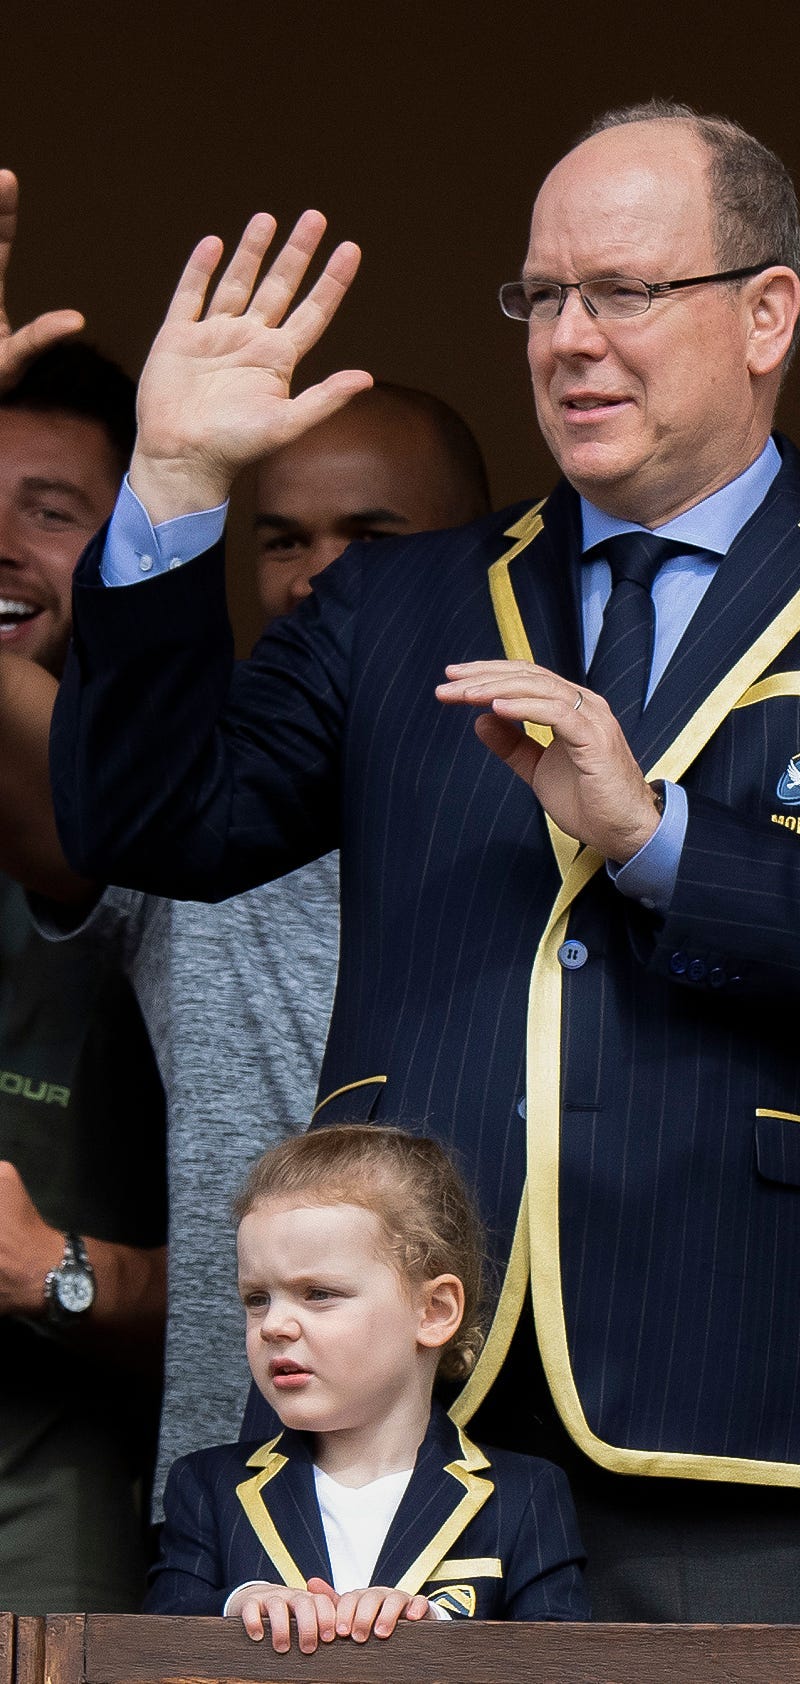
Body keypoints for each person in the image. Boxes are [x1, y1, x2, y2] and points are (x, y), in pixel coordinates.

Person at [53, 100, 800, 1622]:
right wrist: (173, 482)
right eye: (543, 296)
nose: (571, 338)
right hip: (406, 1419)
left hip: (754, 1407)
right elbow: (150, 820)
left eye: (626, 292)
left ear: (767, 311)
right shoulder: (400, 603)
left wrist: (656, 842)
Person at [1, 371, 491, 1516]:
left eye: (372, 534)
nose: (326, 572)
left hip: (497, 1456)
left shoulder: (570, 783)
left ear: (476, 548)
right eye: (283, 538)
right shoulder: (180, 797)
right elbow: (30, 757)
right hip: (238, 1488)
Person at [0, 196, 170, 1608]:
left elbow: (276, 1291)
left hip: (56, 1482)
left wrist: (52, 1274)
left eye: (48, 514)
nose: (1, 547)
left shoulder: (199, 827)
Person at [148, 1124, 588, 1643]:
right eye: (257, 1298)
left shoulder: (524, 1493)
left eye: (317, 1294)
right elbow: (152, 1633)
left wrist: (435, 1632)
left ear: (433, 1311)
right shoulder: (207, 1485)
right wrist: (236, 1603)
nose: (273, 1325)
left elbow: (562, 1655)